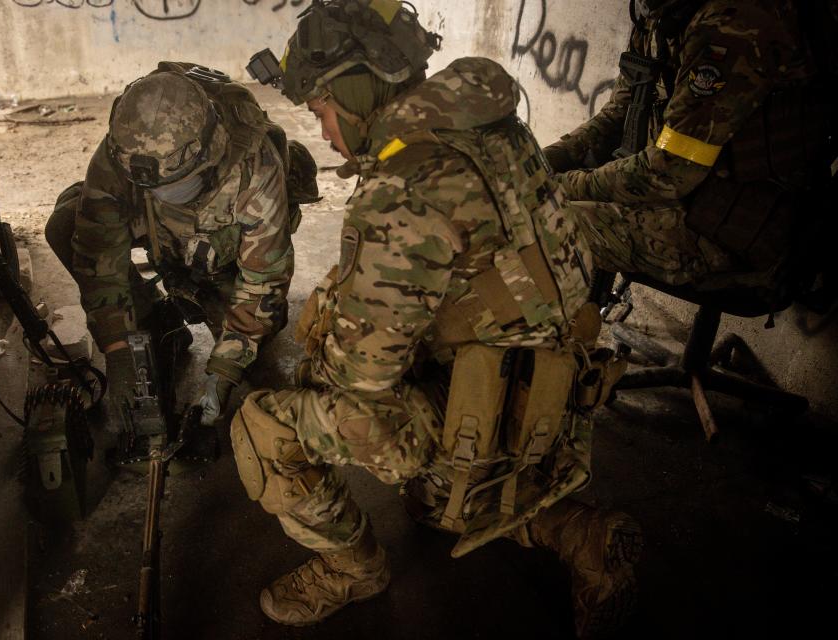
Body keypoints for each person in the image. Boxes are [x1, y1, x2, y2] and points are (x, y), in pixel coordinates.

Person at [236, 1, 640, 637]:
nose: (321, 132)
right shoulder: (492, 126)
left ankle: (353, 569)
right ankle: (580, 534)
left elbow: (359, 380)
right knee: (437, 503)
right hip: (551, 395)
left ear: (352, 88)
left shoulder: (402, 186)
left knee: (263, 427)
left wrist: (330, 321)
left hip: (474, 411)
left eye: (320, 109)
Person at [45, 62, 317, 452]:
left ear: (207, 158)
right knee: (67, 224)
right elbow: (98, 255)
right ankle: (157, 320)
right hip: (162, 240)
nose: (163, 195)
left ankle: (204, 302)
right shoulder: (123, 153)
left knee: (249, 359)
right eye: (152, 188)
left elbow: (263, 280)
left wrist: (222, 373)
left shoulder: (255, 165)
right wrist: (117, 349)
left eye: (176, 187)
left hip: (221, 258)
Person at [543, 0, 828, 290]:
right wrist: (540, 163)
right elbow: (616, 113)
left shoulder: (730, 23)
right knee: (524, 207)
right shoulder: (660, 13)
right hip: (677, 198)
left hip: (724, 228)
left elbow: (670, 170)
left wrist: (558, 187)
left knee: (538, 228)